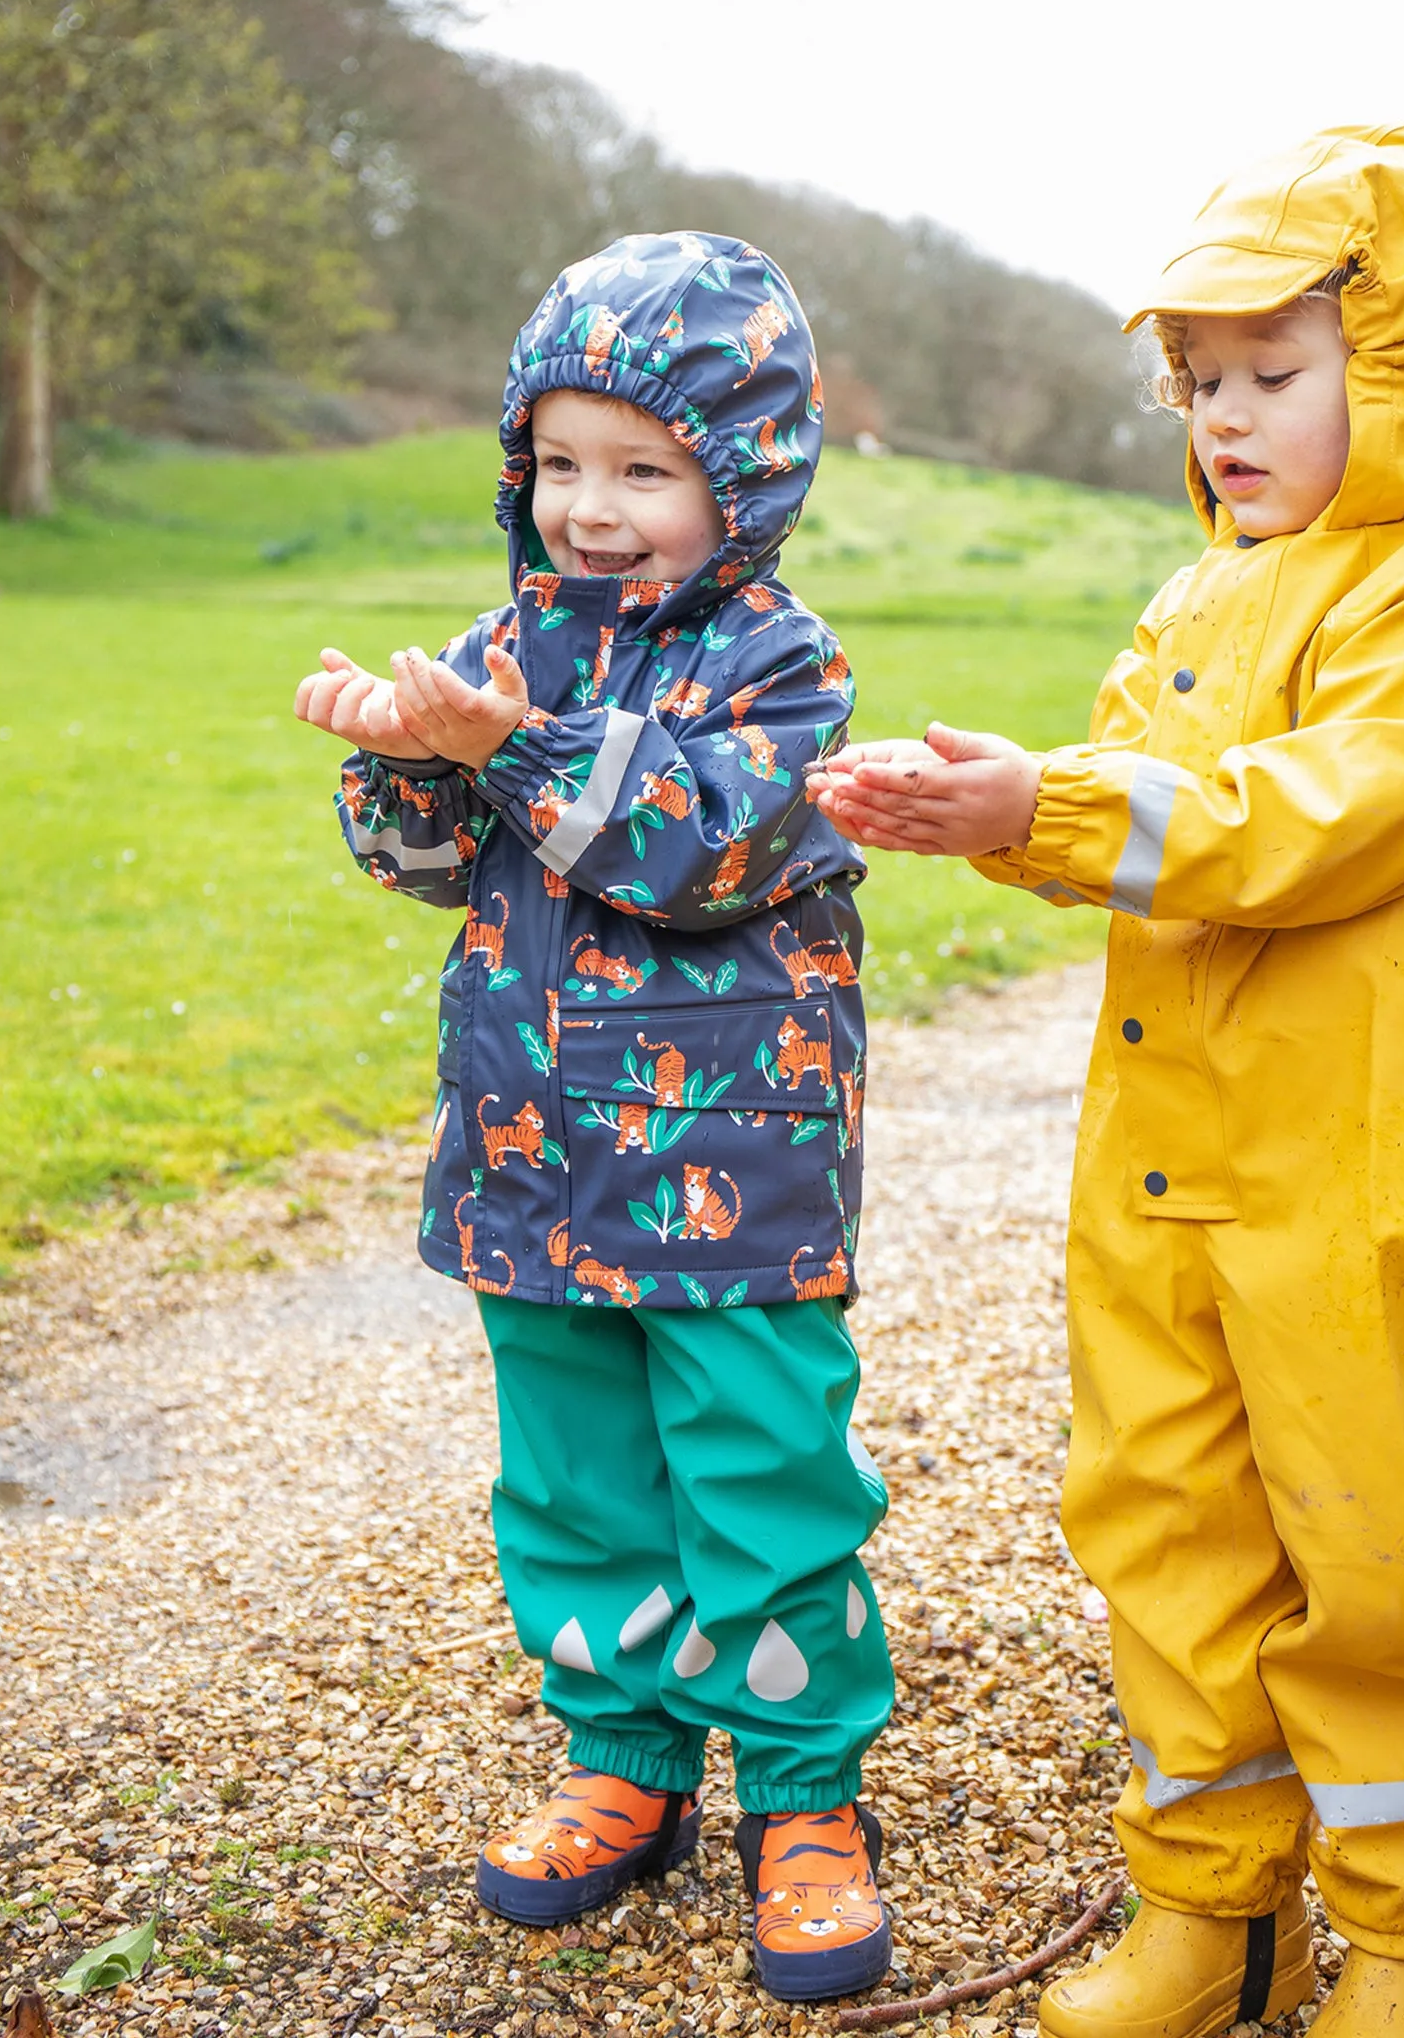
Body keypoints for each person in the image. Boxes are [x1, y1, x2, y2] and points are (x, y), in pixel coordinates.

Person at [809, 124, 1404, 2038]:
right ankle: (1214, 1913)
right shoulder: (1201, 587)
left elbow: (1305, 824)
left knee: (1368, 1544)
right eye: (1199, 381)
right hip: (1163, 1166)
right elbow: (1135, 804)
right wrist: (990, 803)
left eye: (1274, 374)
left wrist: (1044, 806)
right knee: (1164, 1522)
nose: (1224, 419)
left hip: (1366, 1178)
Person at [293, 231, 896, 2003]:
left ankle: (800, 1793)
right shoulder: (507, 645)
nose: (592, 509)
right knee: (568, 1487)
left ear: (746, 475)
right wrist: (410, 755)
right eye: (559, 465)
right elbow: (422, 865)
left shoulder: (781, 664)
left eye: (644, 470)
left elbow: (701, 850)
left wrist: (519, 752)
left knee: (763, 1479)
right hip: (529, 1165)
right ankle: (624, 1763)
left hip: (740, 1172)